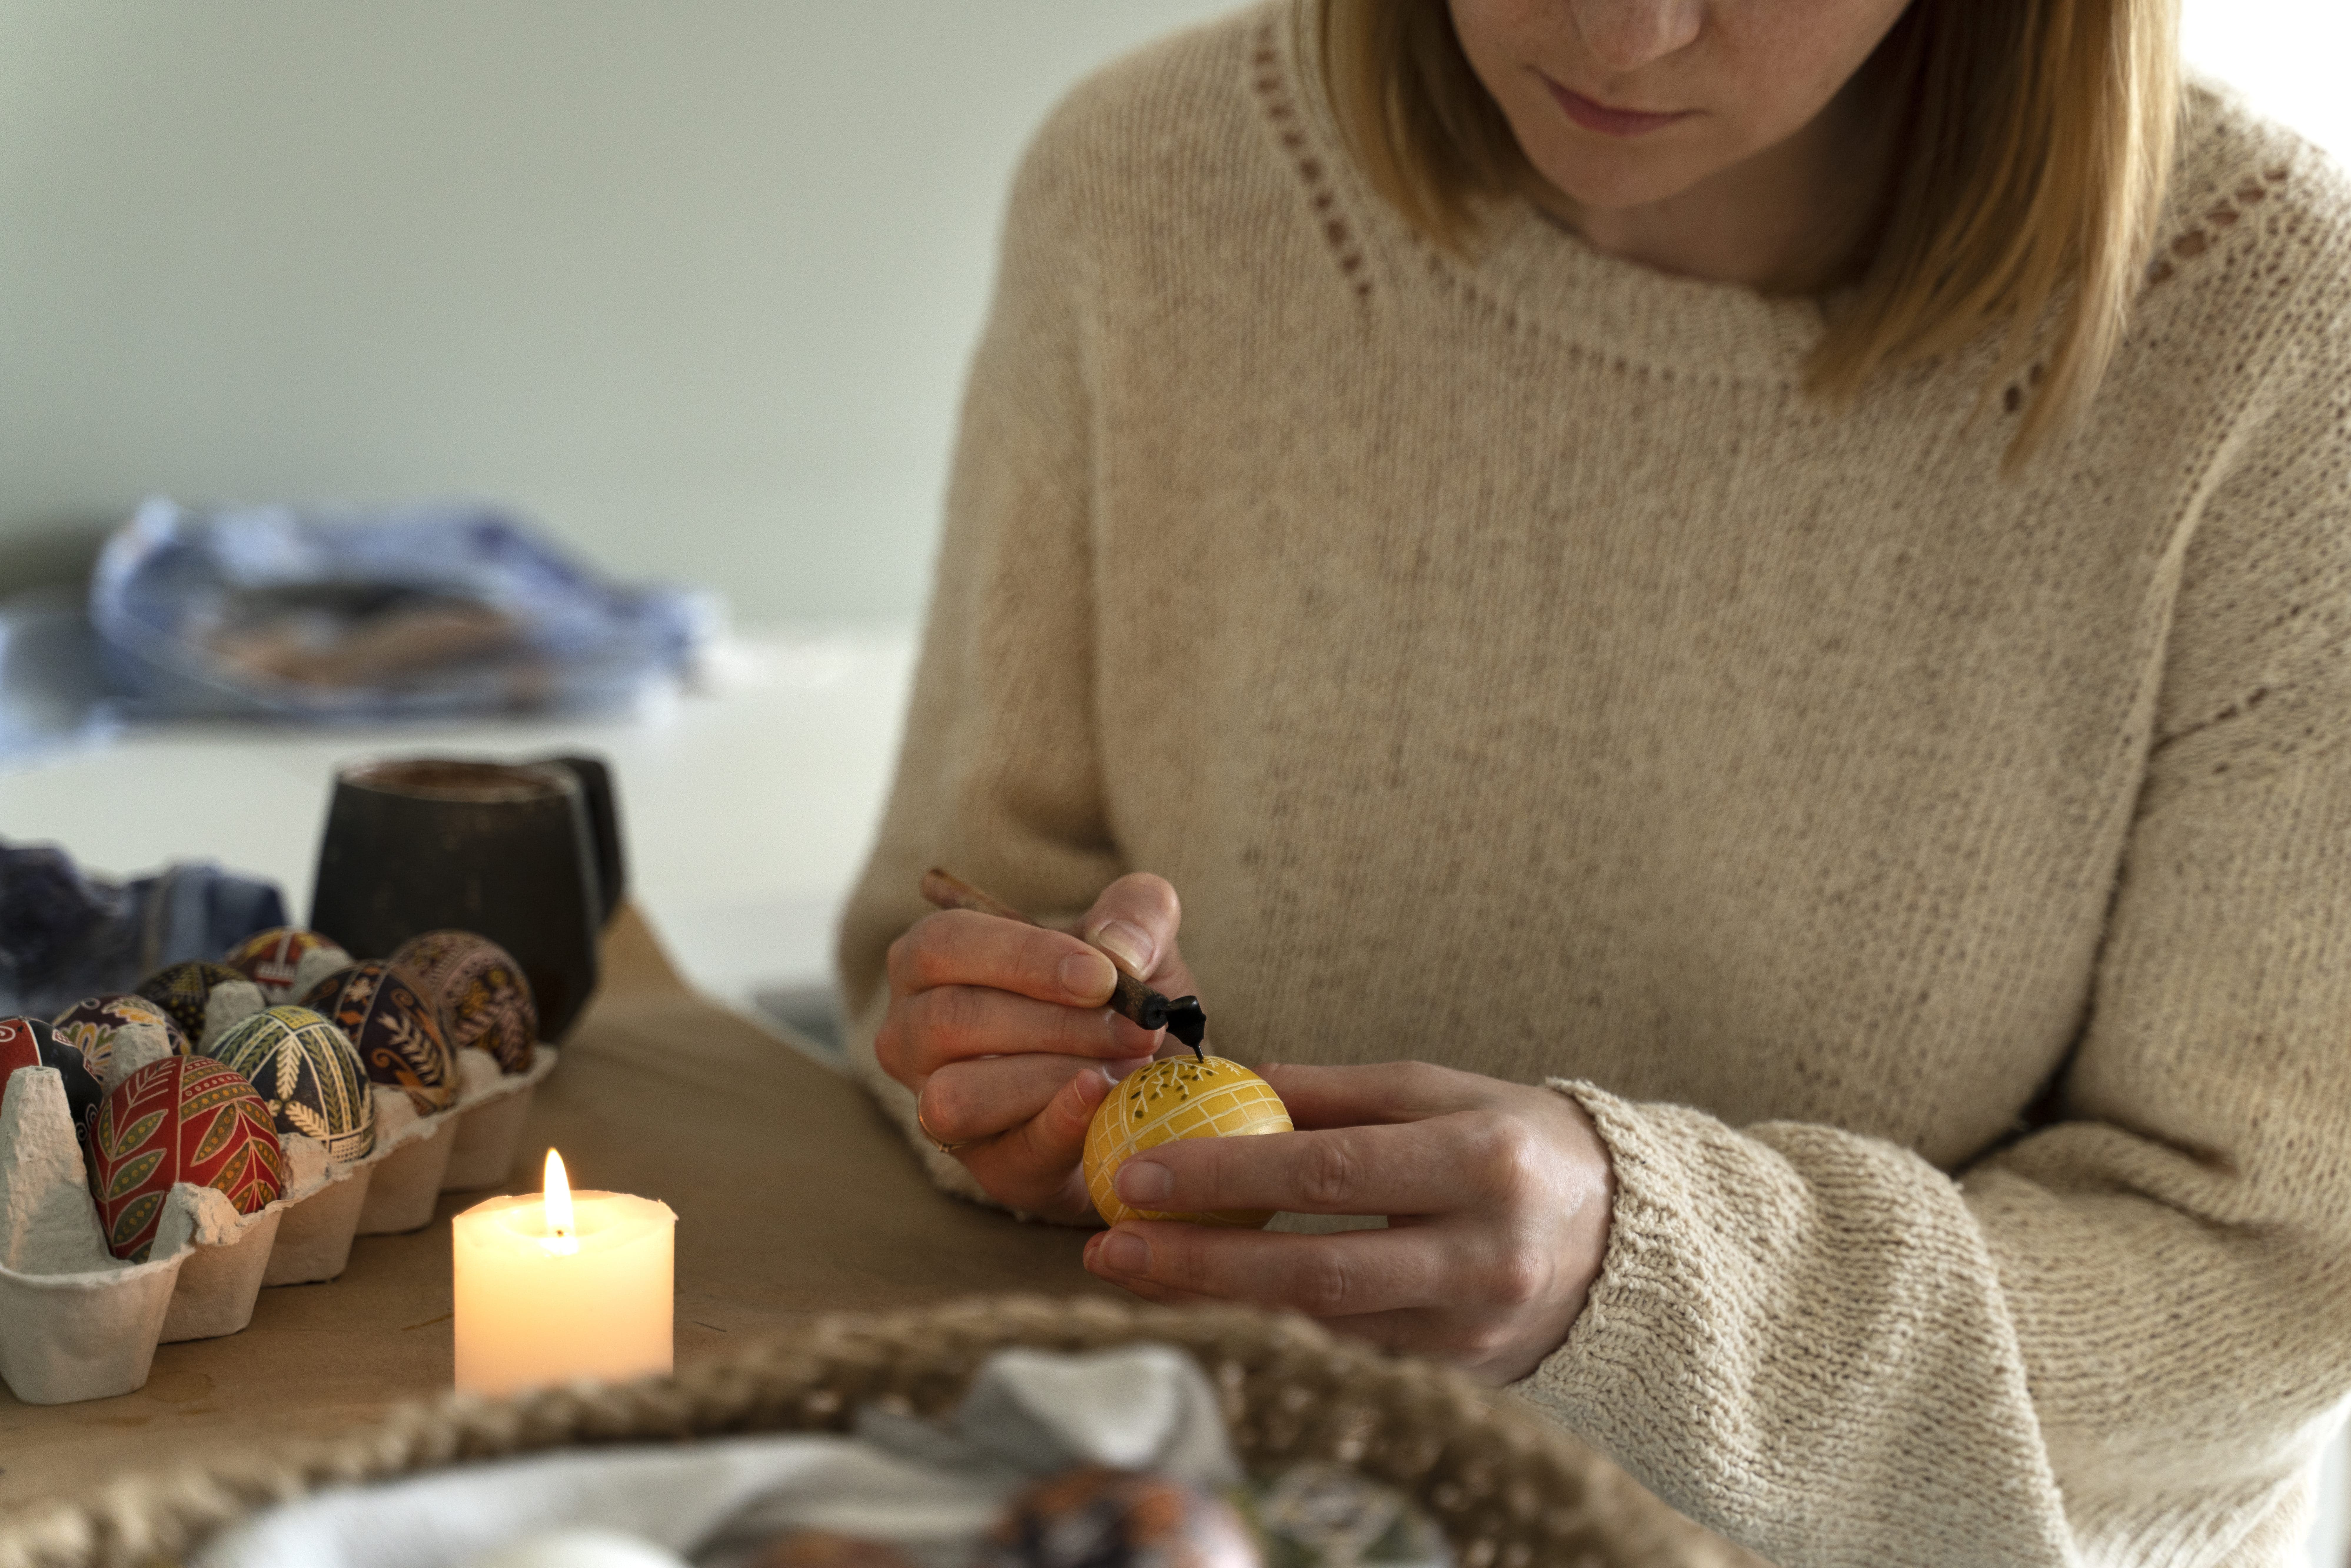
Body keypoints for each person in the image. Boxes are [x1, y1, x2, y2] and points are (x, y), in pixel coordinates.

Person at [837, 0, 2351, 1561]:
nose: (1621, 35)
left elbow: (2272, 1284)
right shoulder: (1149, 187)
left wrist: (1653, 1279)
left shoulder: (2273, 332)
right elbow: (962, 905)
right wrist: (1011, 1080)